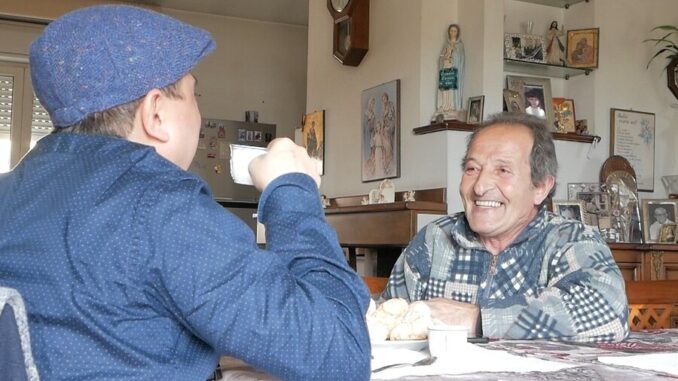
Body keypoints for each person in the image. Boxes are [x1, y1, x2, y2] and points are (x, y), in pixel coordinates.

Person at [0, 5, 371, 381]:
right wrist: (291, 189)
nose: (199, 113)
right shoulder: (162, 207)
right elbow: (340, 354)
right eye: (195, 94)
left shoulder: (8, 194)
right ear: (155, 113)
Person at [382, 112, 629, 343]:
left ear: (541, 186)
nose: (479, 187)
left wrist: (477, 320)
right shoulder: (434, 240)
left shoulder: (570, 240)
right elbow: (385, 325)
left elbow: (608, 310)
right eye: (472, 169)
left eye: (502, 170)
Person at [434, 24, 465, 119]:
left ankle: (452, 107)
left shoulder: (459, 45)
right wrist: (445, 57)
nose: (453, 33)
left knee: (451, 89)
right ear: (449, 32)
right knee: (445, 89)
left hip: (454, 71)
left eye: (455, 31)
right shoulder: (446, 45)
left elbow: (461, 59)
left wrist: (453, 54)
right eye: (451, 31)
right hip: (446, 69)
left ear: (457, 33)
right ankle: (445, 106)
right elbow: (440, 58)